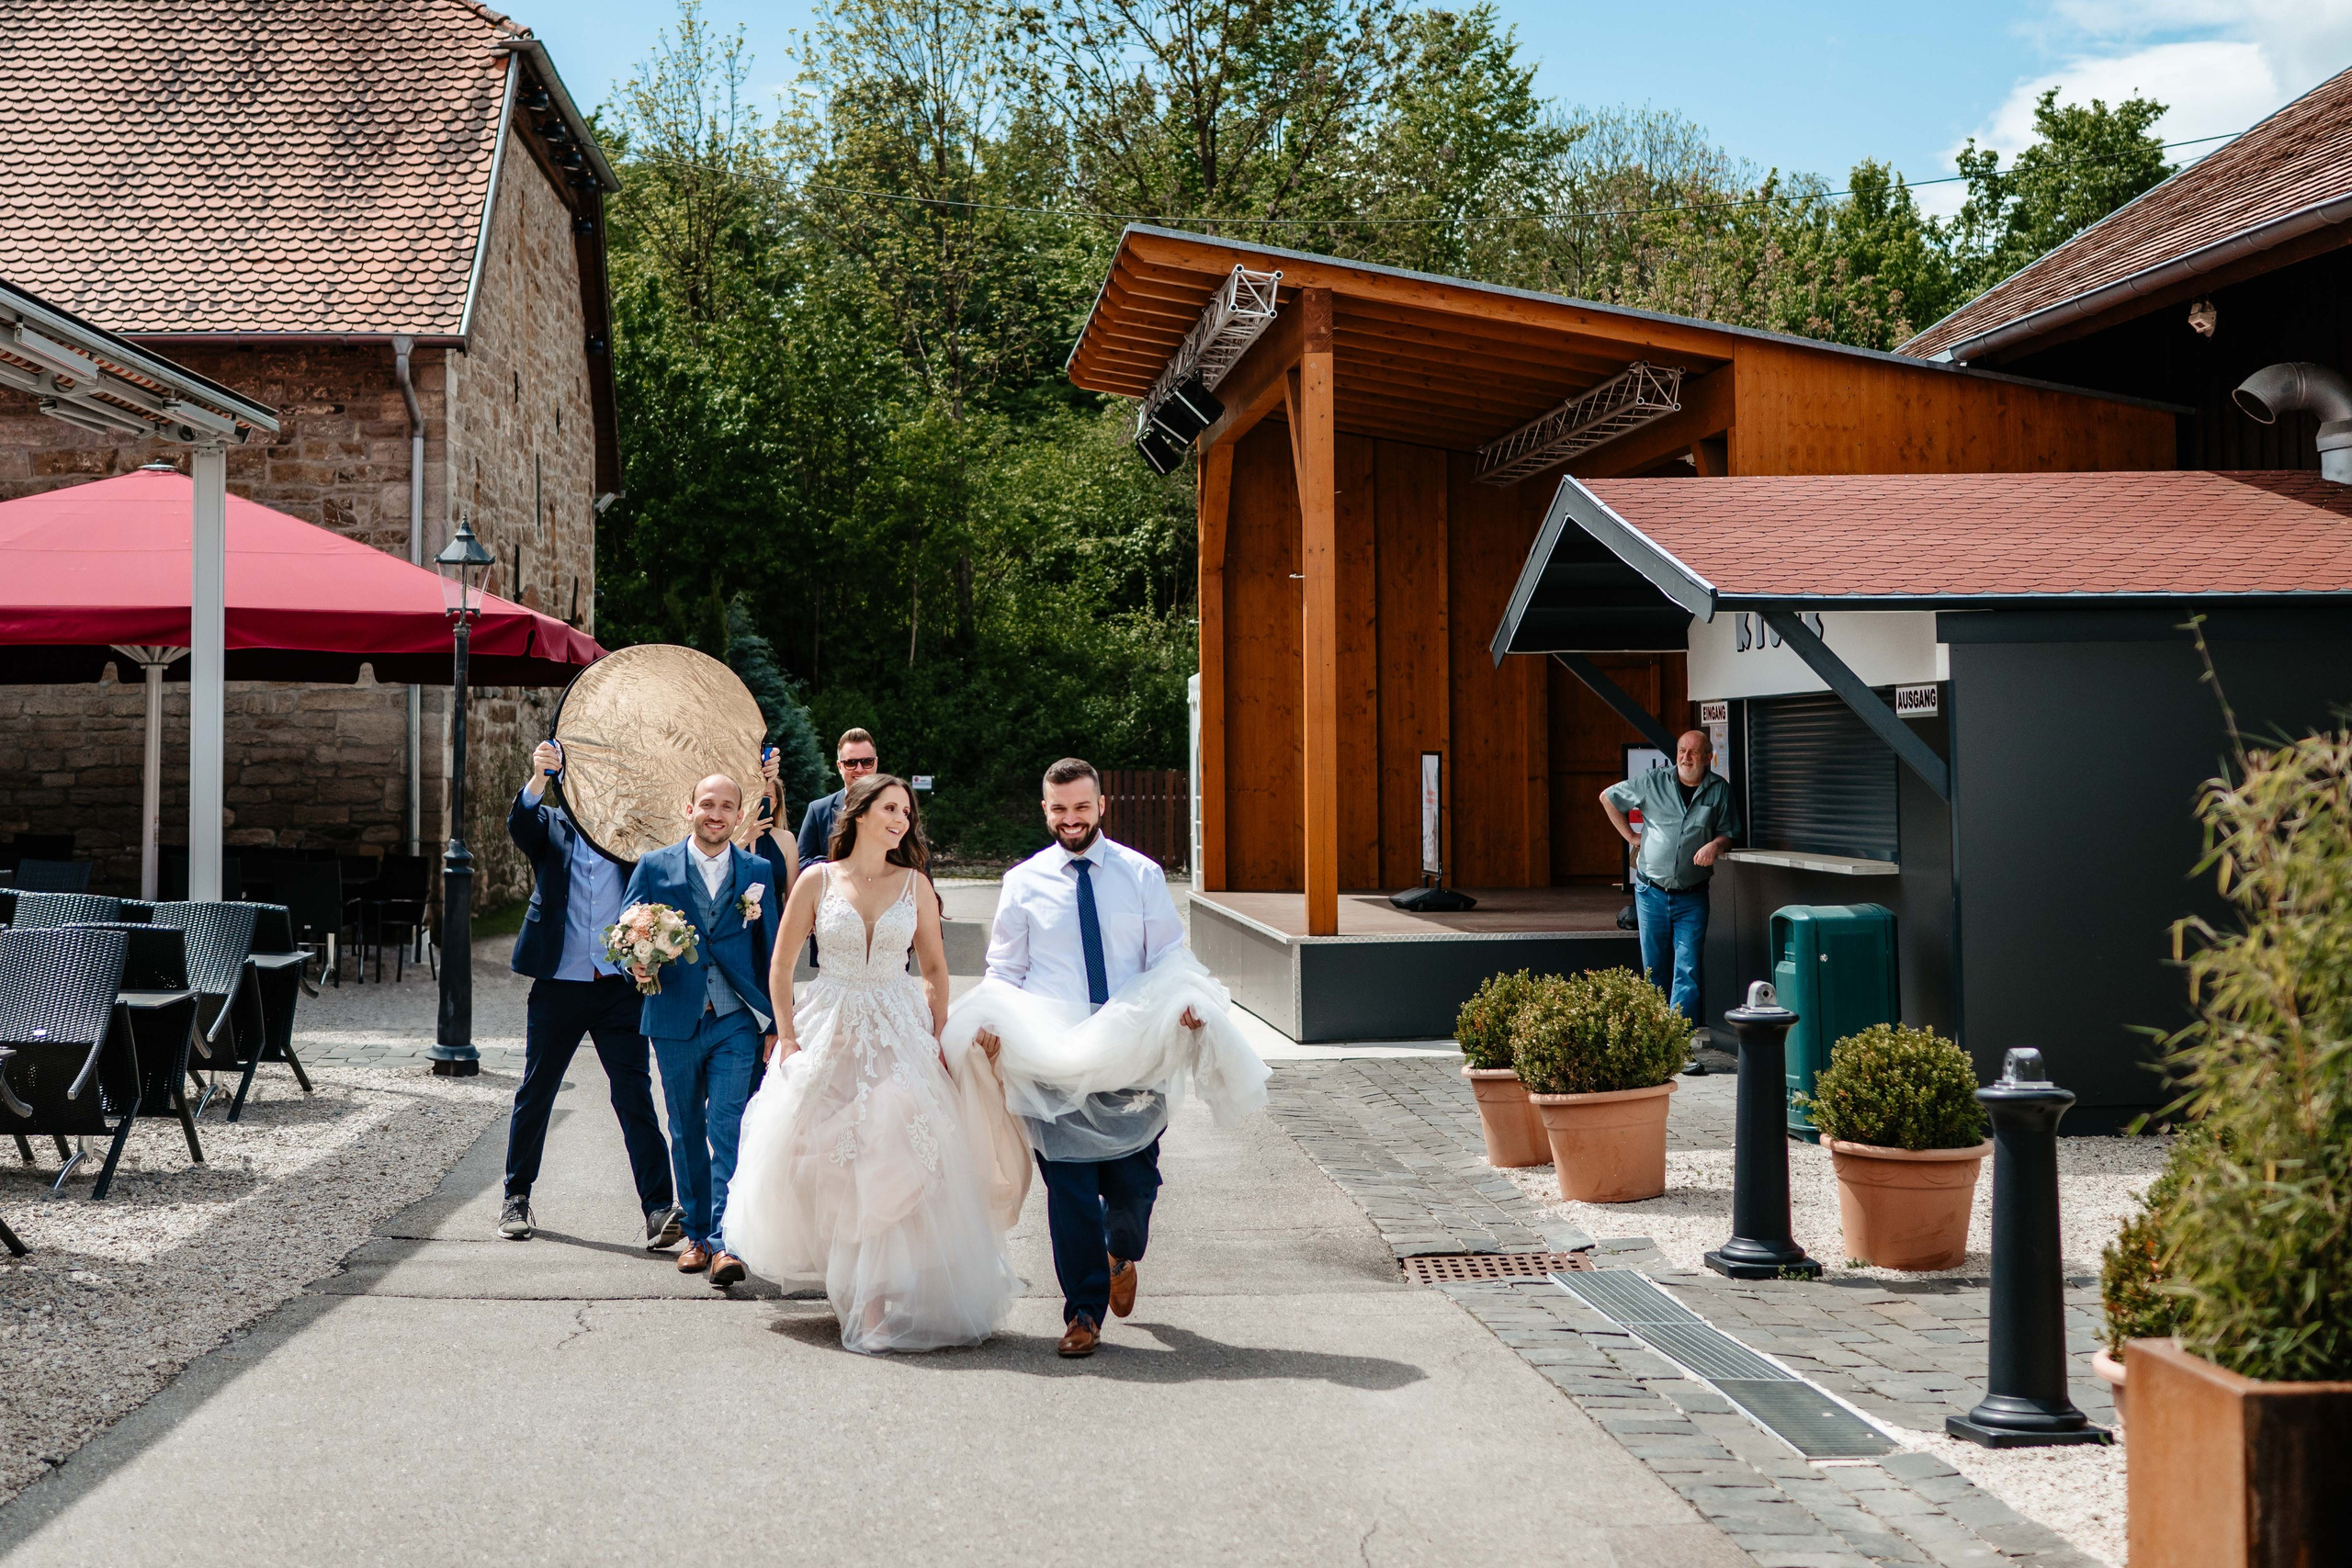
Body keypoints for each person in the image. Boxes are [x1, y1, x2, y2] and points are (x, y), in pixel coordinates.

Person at [723, 773, 1019, 1353]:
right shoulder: (816, 880)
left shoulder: (915, 886)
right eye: (890, 809)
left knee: (894, 1147)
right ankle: (849, 1285)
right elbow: (781, 968)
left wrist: (936, 1035)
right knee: (824, 1154)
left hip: (897, 1026)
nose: (901, 821)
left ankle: (878, 1301)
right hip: (828, 1023)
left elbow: (934, 970)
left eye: (906, 812)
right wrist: (785, 1037)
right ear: (859, 813)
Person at [977, 758, 1200, 1359]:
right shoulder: (1022, 882)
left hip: (1132, 1054)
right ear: (1044, 810)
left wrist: (1184, 1003)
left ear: (1102, 805)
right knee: (1069, 1189)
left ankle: (1120, 1250)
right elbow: (1005, 969)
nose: (1070, 819)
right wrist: (993, 1021)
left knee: (1132, 1184)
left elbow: (1168, 957)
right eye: (1059, 808)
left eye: (1080, 806)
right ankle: (1083, 1311)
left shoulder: (1142, 875)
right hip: (1052, 1058)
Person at [497, 739, 679, 1249]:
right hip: (558, 983)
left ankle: (658, 1208)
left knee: (635, 1096)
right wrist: (538, 775)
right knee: (537, 1091)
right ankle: (516, 1196)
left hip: (619, 988)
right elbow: (520, 823)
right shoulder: (550, 825)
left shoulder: (634, 840)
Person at [622, 774, 778, 1289]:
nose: (717, 813)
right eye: (707, 804)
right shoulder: (654, 866)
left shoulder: (757, 870)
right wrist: (636, 968)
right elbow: (628, 934)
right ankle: (697, 1235)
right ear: (688, 807)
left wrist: (777, 1024)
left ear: (739, 815)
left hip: (736, 1018)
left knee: (726, 1124)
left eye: (727, 806)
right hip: (674, 1016)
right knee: (686, 1126)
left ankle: (728, 1242)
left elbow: (773, 951)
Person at [1600, 729, 1740, 1030]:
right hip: (1651, 893)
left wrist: (1716, 845)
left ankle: (1677, 1039)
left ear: (1708, 757)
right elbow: (1608, 798)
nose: (1685, 758)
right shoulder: (1653, 781)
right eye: (1681, 751)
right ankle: (1655, 1035)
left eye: (1693, 752)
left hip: (1692, 896)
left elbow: (1729, 832)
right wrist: (1631, 836)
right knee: (1655, 969)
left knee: (1687, 970)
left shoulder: (1719, 790)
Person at [793, 728, 878, 866]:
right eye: (851, 763)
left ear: (875, 763)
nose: (859, 769)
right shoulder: (818, 810)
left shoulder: (896, 808)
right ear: (839, 766)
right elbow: (802, 863)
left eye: (867, 762)